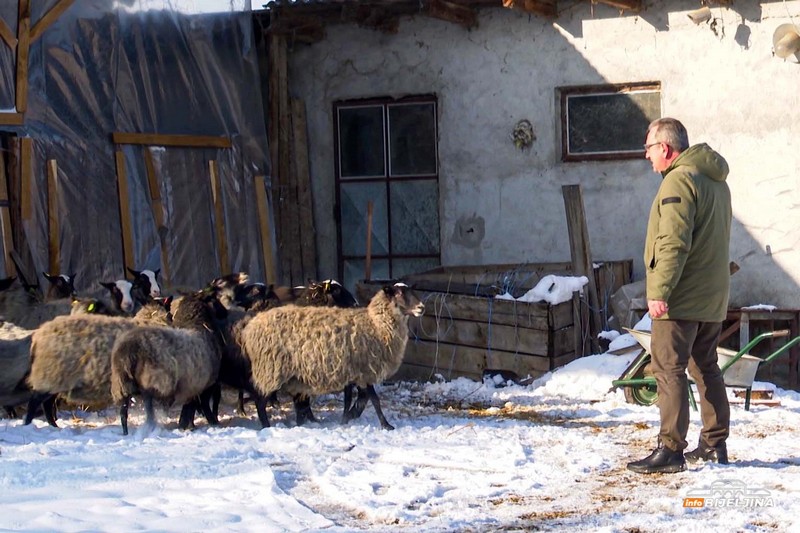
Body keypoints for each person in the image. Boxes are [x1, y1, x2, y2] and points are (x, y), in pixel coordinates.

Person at [626, 118, 732, 474]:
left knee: (667, 368)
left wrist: (659, 292)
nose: (646, 156)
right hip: (712, 297)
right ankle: (714, 444)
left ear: (666, 149)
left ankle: (671, 448)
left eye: (649, 148)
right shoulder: (715, 183)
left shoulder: (679, 180)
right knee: (706, 367)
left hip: (680, 298)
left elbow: (672, 243)